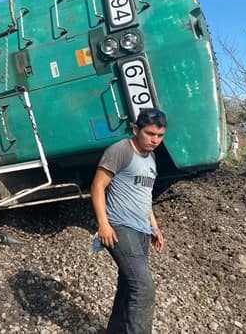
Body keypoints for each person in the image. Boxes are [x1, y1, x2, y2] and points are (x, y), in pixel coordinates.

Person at [91, 108, 167, 334]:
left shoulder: (151, 157)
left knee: (128, 285)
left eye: (160, 135)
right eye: (150, 133)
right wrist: (103, 224)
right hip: (119, 227)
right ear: (136, 129)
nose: (155, 140)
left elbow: (145, 195)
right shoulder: (120, 150)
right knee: (143, 288)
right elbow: (97, 186)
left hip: (141, 230)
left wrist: (154, 227)